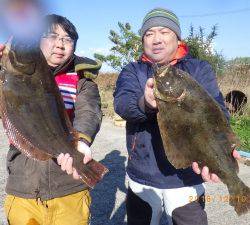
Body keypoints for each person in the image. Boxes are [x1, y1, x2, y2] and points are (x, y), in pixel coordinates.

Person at [114, 7, 240, 225]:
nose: (156, 39)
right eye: (149, 33)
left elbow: (218, 112)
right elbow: (122, 104)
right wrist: (146, 103)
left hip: (187, 178)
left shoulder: (199, 68)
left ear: (177, 38)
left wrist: (222, 150)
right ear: (143, 40)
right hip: (143, 176)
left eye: (164, 31)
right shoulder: (132, 71)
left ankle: (237, 187)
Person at [0, 14, 102, 224]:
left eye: (67, 39)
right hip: (24, 184)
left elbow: (89, 111)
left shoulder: (82, 80)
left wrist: (81, 143)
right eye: (51, 36)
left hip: (68, 184)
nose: (59, 44)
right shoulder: (9, 74)